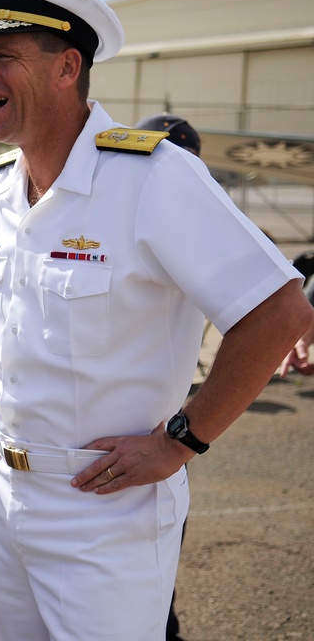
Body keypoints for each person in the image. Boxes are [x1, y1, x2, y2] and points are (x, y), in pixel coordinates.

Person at [0, 0, 314, 639]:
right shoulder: (5, 182)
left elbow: (280, 309)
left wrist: (183, 440)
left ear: (67, 66)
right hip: (10, 495)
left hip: (105, 514)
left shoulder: (153, 177)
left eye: (2, 54)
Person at [135, 111, 201, 641]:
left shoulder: (199, 222)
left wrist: (184, 439)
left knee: (154, 580)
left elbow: (275, 314)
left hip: (157, 441)